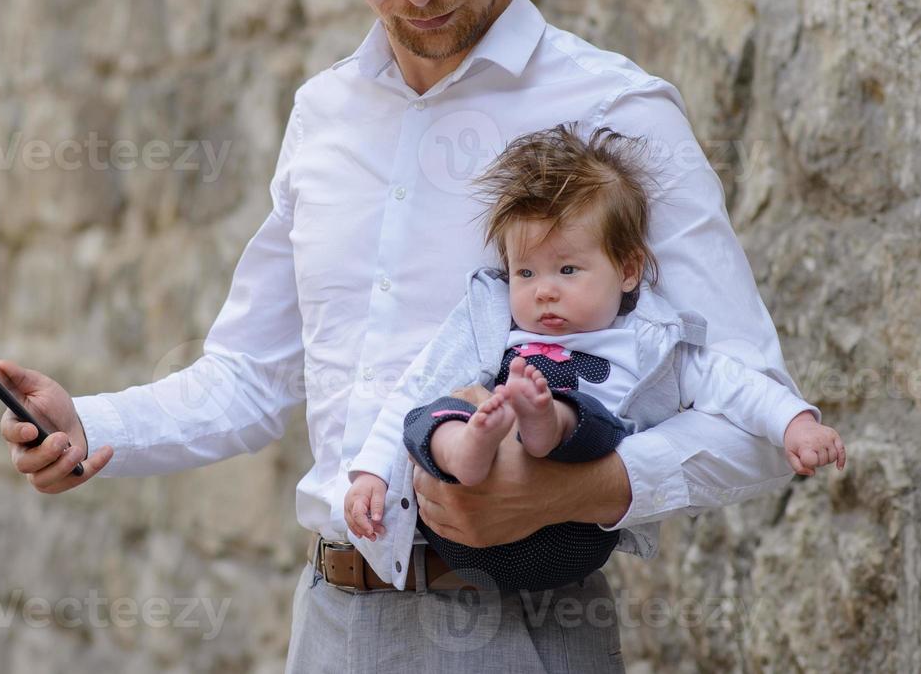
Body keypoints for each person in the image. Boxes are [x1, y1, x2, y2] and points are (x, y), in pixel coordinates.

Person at [0, 0, 821, 672]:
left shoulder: (619, 112)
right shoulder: (322, 115)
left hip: (525, 626)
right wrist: (89, 424)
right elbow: (250, 377)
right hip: (333, 623)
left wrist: (576, 491)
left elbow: (753, 415)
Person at [343, 122, 845, 594]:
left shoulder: (649, 344)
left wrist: (795, 423)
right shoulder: (491, 323)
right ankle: (470, 447)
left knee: (589, 420)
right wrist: (373, 473)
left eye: (567, 269)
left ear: (627, 270)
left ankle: (545, 419)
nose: (544, 292)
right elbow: (417, 382)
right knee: (434, 412)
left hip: (567, 539)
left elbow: (736, 385)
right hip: (461, 531)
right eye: (526, 274)